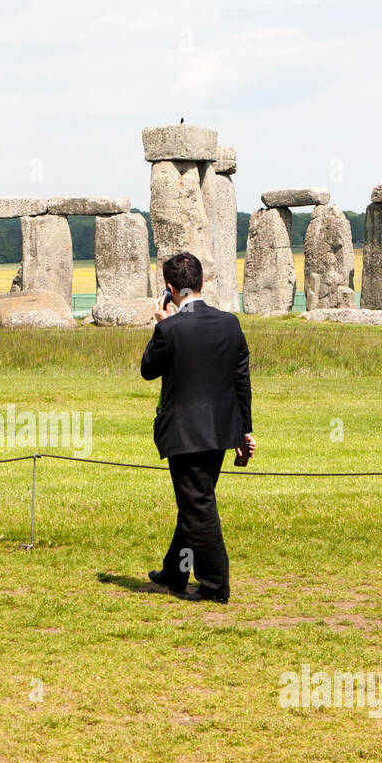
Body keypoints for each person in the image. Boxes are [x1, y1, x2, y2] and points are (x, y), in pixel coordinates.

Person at [139, 251, 255, 604]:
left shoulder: (170, 328)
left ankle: (215, 586)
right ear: (202, 283)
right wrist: (243, 430)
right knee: (194, 501)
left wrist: (160, 323)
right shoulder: (229, 324)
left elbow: (148, 369)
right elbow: (241, 381)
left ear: (170, 289)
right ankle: (176, 571)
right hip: (220, 431)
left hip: (185, 433)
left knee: (198, 506)